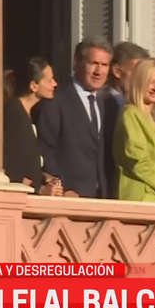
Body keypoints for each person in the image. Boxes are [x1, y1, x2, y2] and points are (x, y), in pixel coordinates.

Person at [34, 36, 112, 198]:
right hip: (70, 197)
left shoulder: (109, 104)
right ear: (76, 63)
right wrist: (65, 187)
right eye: (93, 64)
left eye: (104, 65)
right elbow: (46, 148)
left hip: (102, 198)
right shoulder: (55, 100)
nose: (99, 71)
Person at [112, 58, 155, 203]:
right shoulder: (130, 113)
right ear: (139, 82)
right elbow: (137, 161)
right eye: (151, 81)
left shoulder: (150, 119)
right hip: (140, 200)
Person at [3, 57, 63, 196]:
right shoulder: (14, 115)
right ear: (33, 86)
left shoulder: (26, 113)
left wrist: (44, 177)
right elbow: (12, 165)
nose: (54, 84)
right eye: (49, 80)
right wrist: (39, 189)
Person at [101, 42, 150, 198]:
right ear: (116, 71)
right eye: (136, 71)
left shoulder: (141, 107)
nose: (141, 78)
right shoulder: (101, 103)